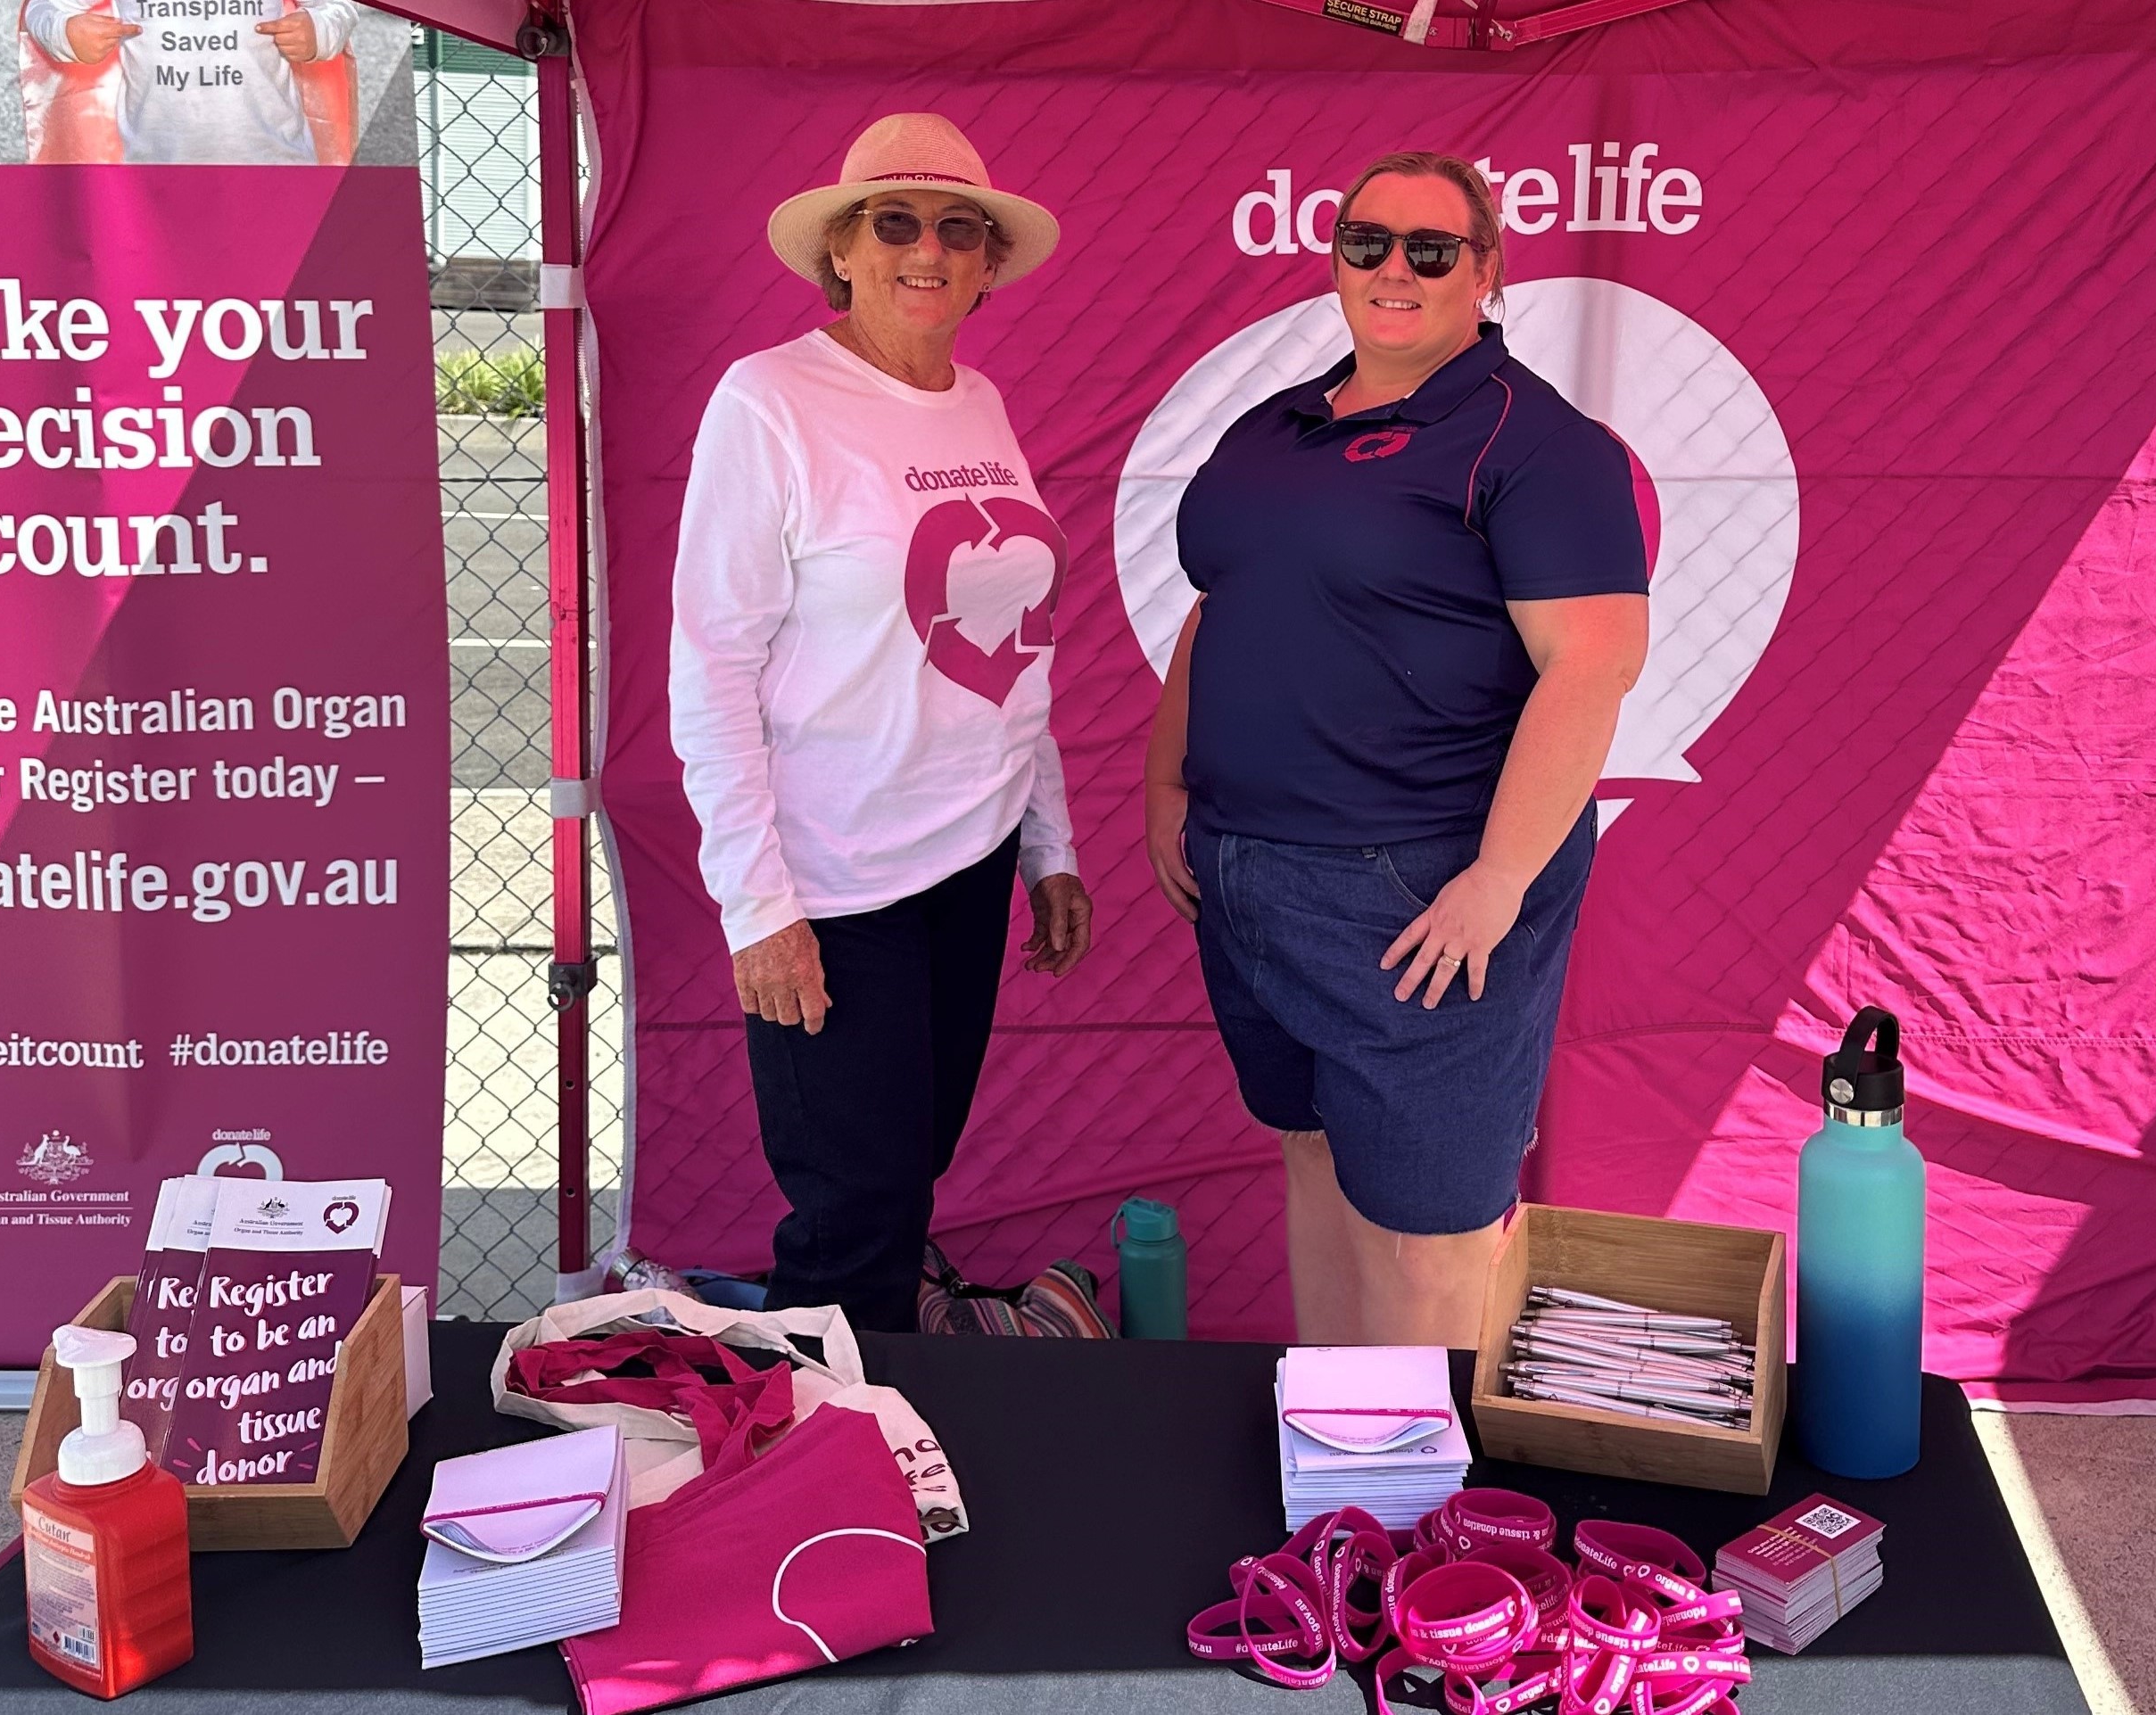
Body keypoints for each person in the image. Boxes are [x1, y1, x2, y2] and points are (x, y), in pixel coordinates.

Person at [1145, 151, 1648, 1348]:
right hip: (1247, 873)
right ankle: (1343, 1466)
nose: (1394, 270)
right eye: (1366, 242)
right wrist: (1166, 783)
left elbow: (1593, 662)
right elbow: (1220, 605)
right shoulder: (1279, 426)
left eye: (1431, 249)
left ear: (1486, 267)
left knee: (1433, 1232)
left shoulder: (1535, 441)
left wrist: (1498, 879)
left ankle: (1437, 1526)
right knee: (1316, 1158)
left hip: (1416, 890)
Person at [670, 113, 1093, 1334]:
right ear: (842, 252)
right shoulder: (771, 402)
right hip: (834, 880)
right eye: (896, 223)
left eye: (960, 230)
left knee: (906, 1181)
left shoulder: (981, 402)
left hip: (969, 861)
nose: (930, 251)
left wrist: (1047, 843)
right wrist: (759, 905)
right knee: (851, 1216)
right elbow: (712, 665)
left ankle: (888, 1443)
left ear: (986, 264)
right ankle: (810, 1482)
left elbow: (1011, 643)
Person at [24, 0, 355, 165]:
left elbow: (337, 6)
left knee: (278, 285)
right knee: (174, 294)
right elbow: (43, 8)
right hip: (158, 171)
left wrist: (318, 28)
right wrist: (66, 31)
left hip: (275, 165)